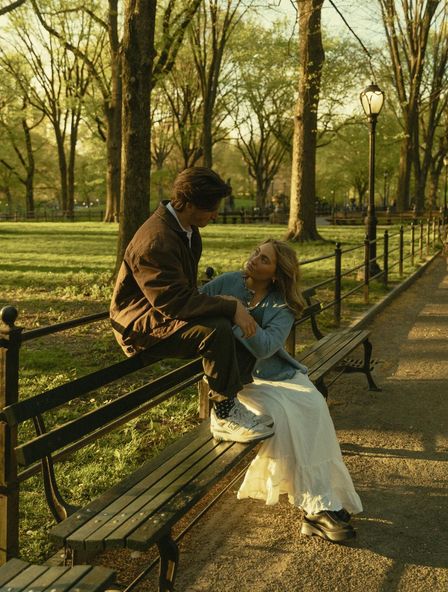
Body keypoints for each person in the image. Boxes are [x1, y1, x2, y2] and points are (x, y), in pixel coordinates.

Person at [201, 239, 363, 543]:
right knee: (284, 417)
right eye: (255, 254)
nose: (253, 261)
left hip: (276, 374)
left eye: (264, 260)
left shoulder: (282, 304)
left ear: (276, 273)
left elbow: (266, 347)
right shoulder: (228, 282)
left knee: (314, 406)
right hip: (240, 381)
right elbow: (197, 304)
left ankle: (322, 500)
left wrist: (235, 318)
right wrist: (231, 312)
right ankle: (318, 506)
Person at [110, 167, 274, 444]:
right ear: (187, 203)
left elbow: (181, 294)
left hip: (163, 312)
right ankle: (223, 414)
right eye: (210, 208)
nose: (215, 214)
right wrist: (229, 306)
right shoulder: (155, 240)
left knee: (230, 322)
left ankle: (235, 401)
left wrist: (229, 305)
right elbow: (172, 302)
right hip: (140, 325)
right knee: (216, 329)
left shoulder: (187, 230)